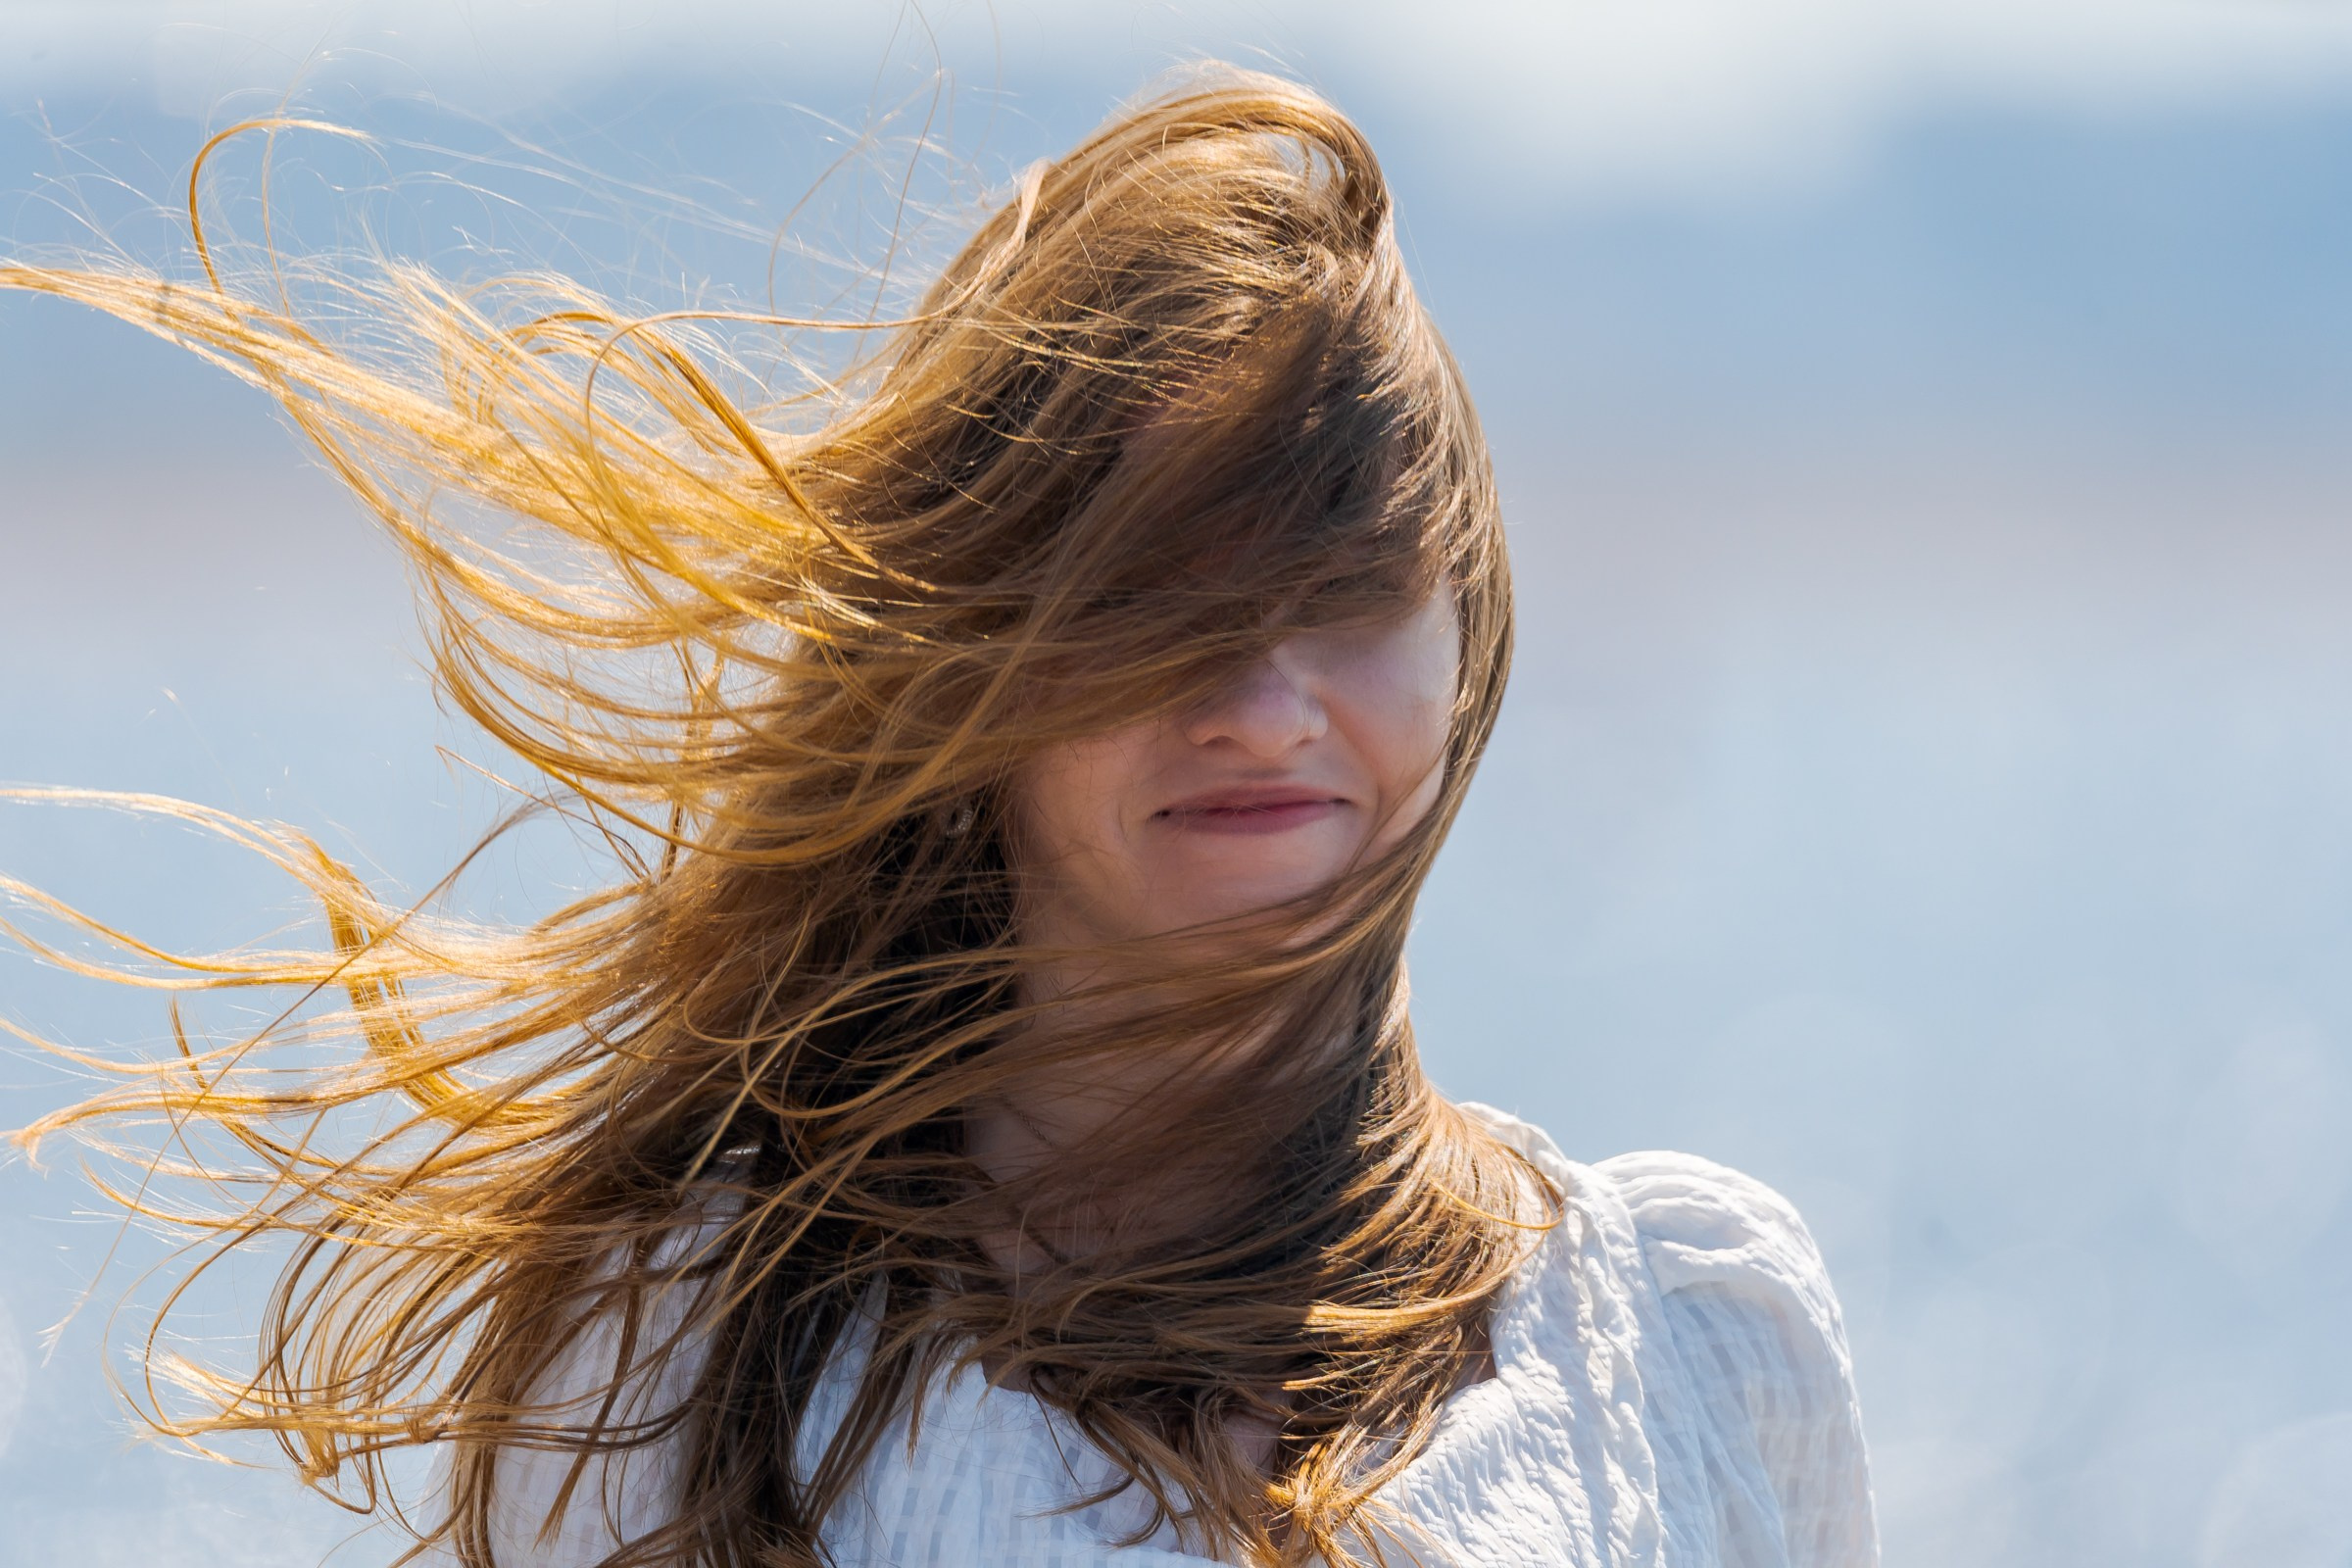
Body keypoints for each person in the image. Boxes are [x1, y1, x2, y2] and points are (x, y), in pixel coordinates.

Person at [3, 69, 1877, 1568]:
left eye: (1348, 591)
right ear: (970, 658)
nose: (1261, 698)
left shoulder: (1687, 1337)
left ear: (1463, 630)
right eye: (1156, 601)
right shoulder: (694, 1352)